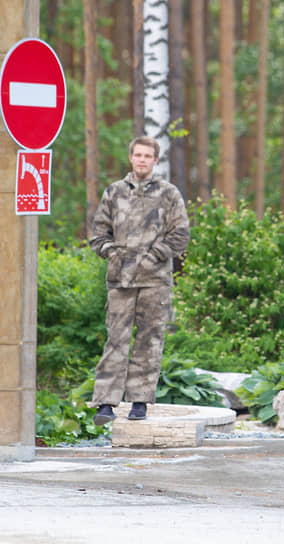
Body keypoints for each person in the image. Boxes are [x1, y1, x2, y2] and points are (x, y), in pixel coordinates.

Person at [89, 136, 190, 424]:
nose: (142, 159)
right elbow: (98, 234)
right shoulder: (114, 192)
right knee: (115, 340)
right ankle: (106, 403)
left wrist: (153, 256)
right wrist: (112, 254)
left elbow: (180, 234)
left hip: (154, 281)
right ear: (131, 157)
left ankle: (140, 402)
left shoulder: (169, 194)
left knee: (149, 341)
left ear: (156, 160)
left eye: (148, 155)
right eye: (138, 155)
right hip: (120, 281)